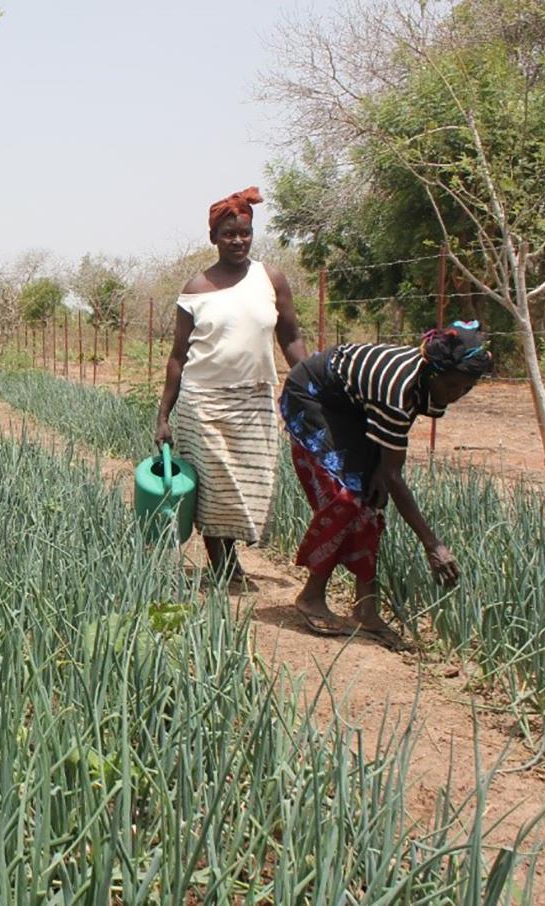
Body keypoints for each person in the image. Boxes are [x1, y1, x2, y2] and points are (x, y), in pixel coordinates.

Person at [279, 322, 492, 648]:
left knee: (372, 500)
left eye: (466, 388)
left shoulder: (425, 383)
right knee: (346, 498)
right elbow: (394, 475)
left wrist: (379, 469)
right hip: (312, 395)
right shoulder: (398, 387)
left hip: (354, 404)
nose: (456, 395)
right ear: (433, 373)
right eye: (452, 386)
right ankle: (311, 597)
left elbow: (389, 462)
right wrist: (433, 545)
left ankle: (366, 610)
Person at [155, 186, 307, 589]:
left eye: (244, 233)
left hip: (254, 398)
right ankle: (223, 563)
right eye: (228, 234)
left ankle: (230, 556)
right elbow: (177, 357)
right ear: (213, 238)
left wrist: (312, 383)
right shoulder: (196, 288)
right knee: (214, 486)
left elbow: (291, 338)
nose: (238, 241)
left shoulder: (270, 280)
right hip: (202, 401)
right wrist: (163, 415)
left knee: (249, 483)